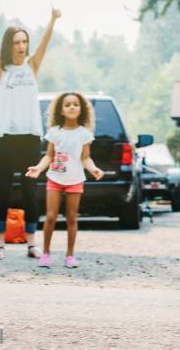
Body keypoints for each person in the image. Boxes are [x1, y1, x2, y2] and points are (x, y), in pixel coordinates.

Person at [0, 9, 61, 260]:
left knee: (30, 191)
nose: (22, 46)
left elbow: (45, 43)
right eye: (17, 42)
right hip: (4, 138)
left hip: (29, 137)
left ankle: (31, 244)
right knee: (3, 190)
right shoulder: (0, 67)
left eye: (24, 41)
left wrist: (52, 20)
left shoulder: (32, 66)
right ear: (10, 45)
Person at [26, 92, 103, 268]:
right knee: (51, 216)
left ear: (81, 109)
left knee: (72, 218)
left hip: (75, 180)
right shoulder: (54, 132)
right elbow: (49, 155)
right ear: (61, 110)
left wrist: (93, 169)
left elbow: (86, 158)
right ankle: (45, 254)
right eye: (67, 104)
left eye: (75, 104)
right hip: (55, 178)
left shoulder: (84, 133)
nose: (72, 107)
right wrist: (38, 168)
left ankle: (70, 256)